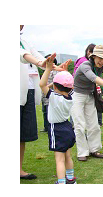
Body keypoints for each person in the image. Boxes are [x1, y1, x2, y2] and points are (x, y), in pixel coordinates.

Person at [20, 25, 68, 180]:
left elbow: (39, 58)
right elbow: (24, 55)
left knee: (22, 135)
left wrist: (54, 67)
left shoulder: (24, 40)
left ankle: (18, 169)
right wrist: (43, 64)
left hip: (27, 91)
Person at [39, 53, 76, 184]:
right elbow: (68, 87)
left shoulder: (54, 97)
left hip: (57, 129)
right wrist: (65, 73)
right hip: (67, 127)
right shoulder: (70, 97)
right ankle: (71, 180)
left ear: (54, 86)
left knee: (59, 159)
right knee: (68, 157)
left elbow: (42, 84)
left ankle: (61, 183)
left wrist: (48, 68)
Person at [41, 54, 59, 132]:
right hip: (44, 94)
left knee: (49, 111)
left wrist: (47, 86)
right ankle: (46, 127)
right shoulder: (45, 71)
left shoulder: (55, 71)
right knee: (44, 111)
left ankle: (50, 126)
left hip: (50, 93)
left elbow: (55, 80)